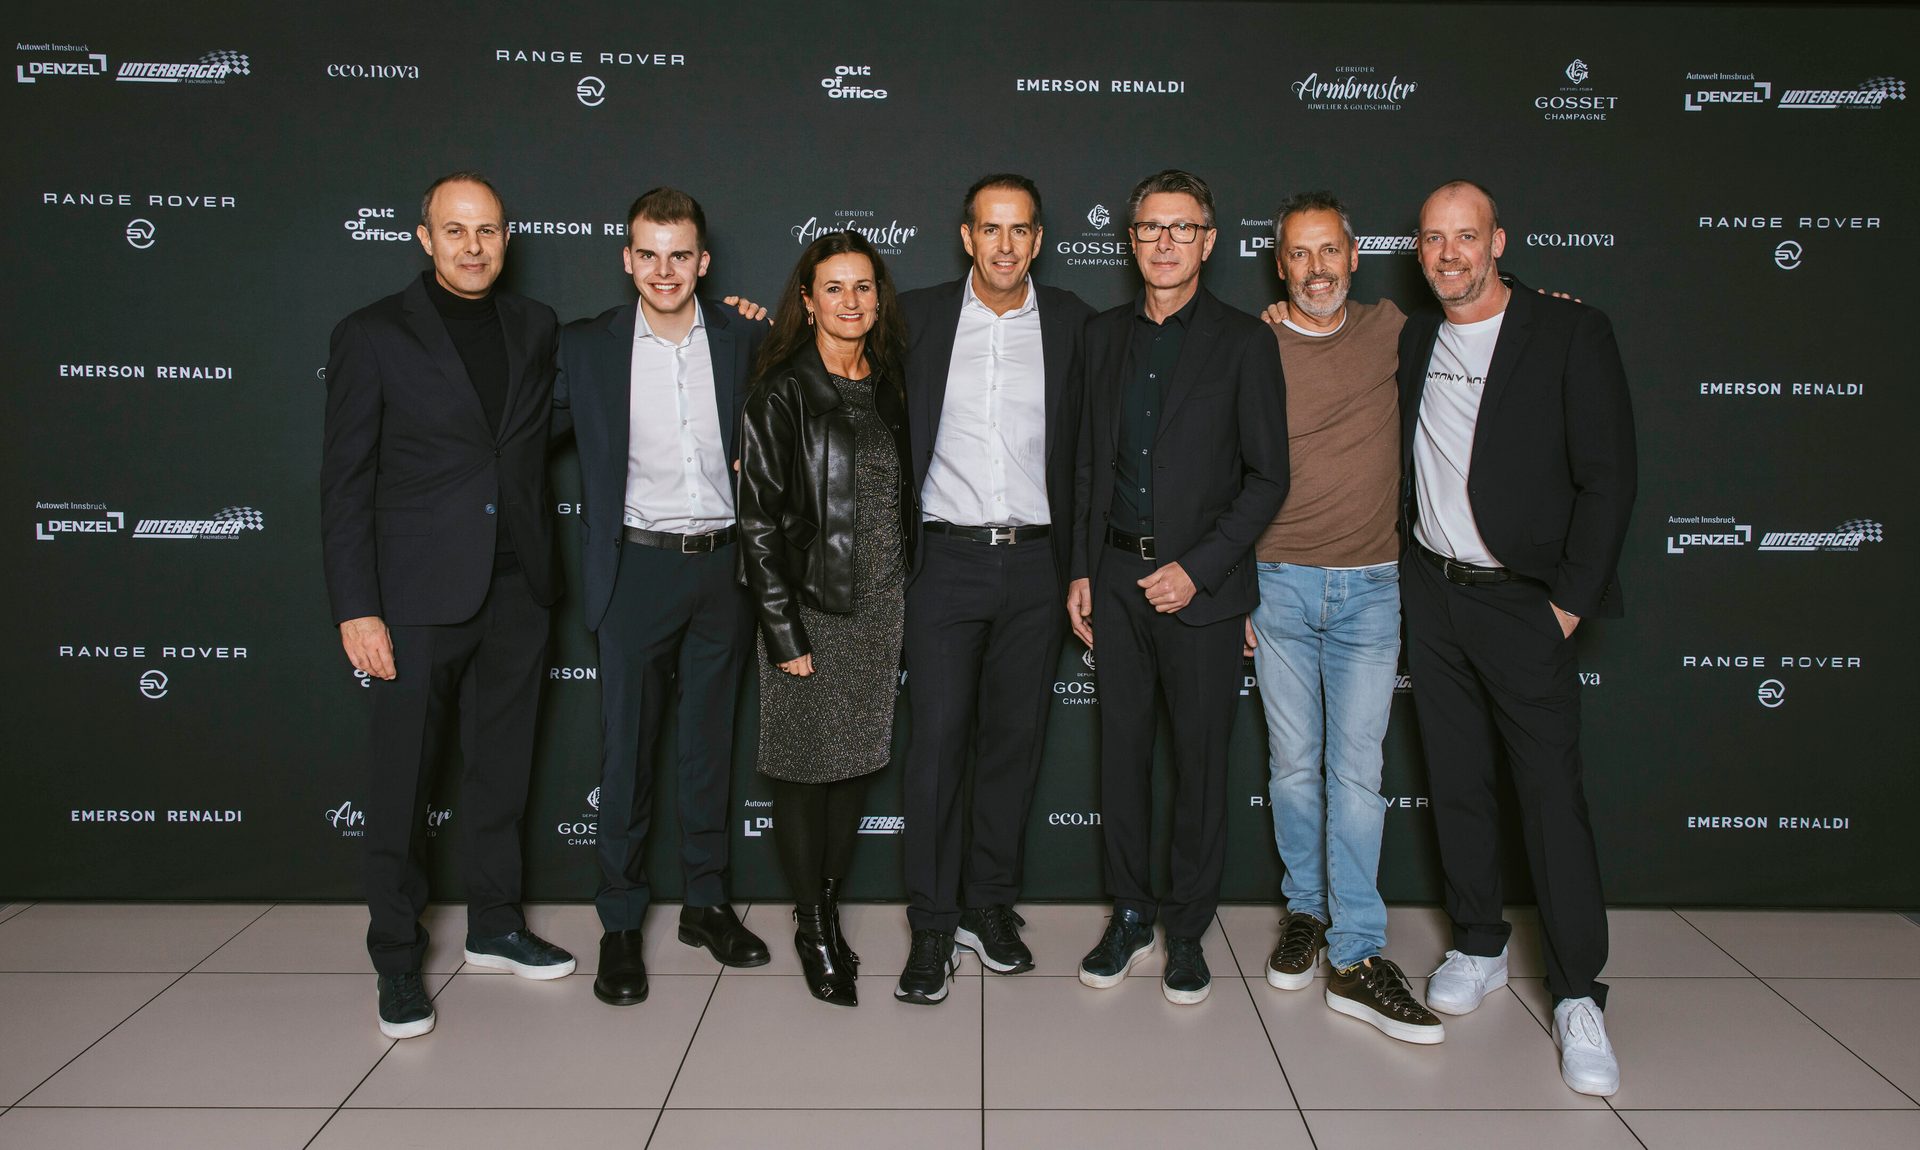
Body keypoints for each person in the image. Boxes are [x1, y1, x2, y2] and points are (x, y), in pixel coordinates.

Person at [321, 171, 574, 1040]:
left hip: (519, 590)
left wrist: (722, 327)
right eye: (456, 231)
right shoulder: (370, 334)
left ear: (508, 238)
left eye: (490, 230)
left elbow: (587, 407)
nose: (474, 246)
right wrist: (358, 606)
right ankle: (396, 959)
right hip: (416, 599)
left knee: (501, 772)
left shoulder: (534, 327)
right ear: (424, 238)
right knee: (401, 786)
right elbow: (346, 483)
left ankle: (497, 926)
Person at [1398, 179, 1635, 1094]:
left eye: (1465, 237)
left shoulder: (1569, 330)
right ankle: (1481, 943)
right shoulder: (1414, 337)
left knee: (1548, 797)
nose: (1449, 254)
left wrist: (1566, 606)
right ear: (1417, 250)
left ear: (1499, 240)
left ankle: (1579, 994)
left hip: (1523, 603)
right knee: (1456, 782)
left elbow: (1609, 479)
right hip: (1432, 591)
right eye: (1432, 240)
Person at [1068, 169, 1289, 1005]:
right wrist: (1085, 567)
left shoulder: (1244, 341)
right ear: (1130, 241)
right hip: (1117, 578)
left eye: (1181, 229)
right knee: (1122, 760)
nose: (1164, 243)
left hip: (1203, 586)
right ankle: (1130, 913)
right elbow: (1089, 461)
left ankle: (1188, 932)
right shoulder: (1100, 337)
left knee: (1199, 767)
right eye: (1149, 229)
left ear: (1209, 240)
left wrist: (1197, 572)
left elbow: (1269, 478)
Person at [552, 188, 771, 1008]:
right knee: (626, 752)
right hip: (635, 569)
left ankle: (707, 906)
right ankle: (619, 924)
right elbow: (514, 437)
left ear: (703, 262)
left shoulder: (748, 336)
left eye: (680, 254)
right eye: (648, 253)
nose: (664, 269)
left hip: (725, 568)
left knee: (708, 747)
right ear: (626, 259)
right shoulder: (586, 348)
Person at [1248, 191, 1444, 1044]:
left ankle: (1357, 949)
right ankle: (1306, 913)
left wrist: (1544, 302)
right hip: (1276, 583)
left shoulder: (1392, 329)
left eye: (1330, 252)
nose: (1317, 270)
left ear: (1355, 256)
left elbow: (1486, 315)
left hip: (1371, 587)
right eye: (1300, 254)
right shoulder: (1249, 344)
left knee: (1356, 775)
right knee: (1293, 767)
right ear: (1279, 262)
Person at [894, 174, 1092, 1004]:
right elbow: (825, 351)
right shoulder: (918, 316)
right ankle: (933, 925)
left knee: (1013, 744)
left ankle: (987, 904)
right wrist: (745, 320)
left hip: (1039, 566)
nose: (1005, 245)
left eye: (1020, 231)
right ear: (966, 237)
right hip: (945, 560)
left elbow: (1102, 444)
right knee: (936, 745)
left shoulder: (1078, 324)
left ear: (1039, 240)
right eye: (990, 229)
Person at [737, 230, 916, 1007]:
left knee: (852, 774)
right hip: (809, 613)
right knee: (807, 778)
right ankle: (812, 926)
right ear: (807, 301)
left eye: (864, 287)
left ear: (879, 299)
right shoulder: (782, 389)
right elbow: (758, 523)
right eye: (834, 288)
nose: (851, 302)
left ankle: (829, 907)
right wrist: (784, 632)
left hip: (879, 610)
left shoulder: (892, 381)